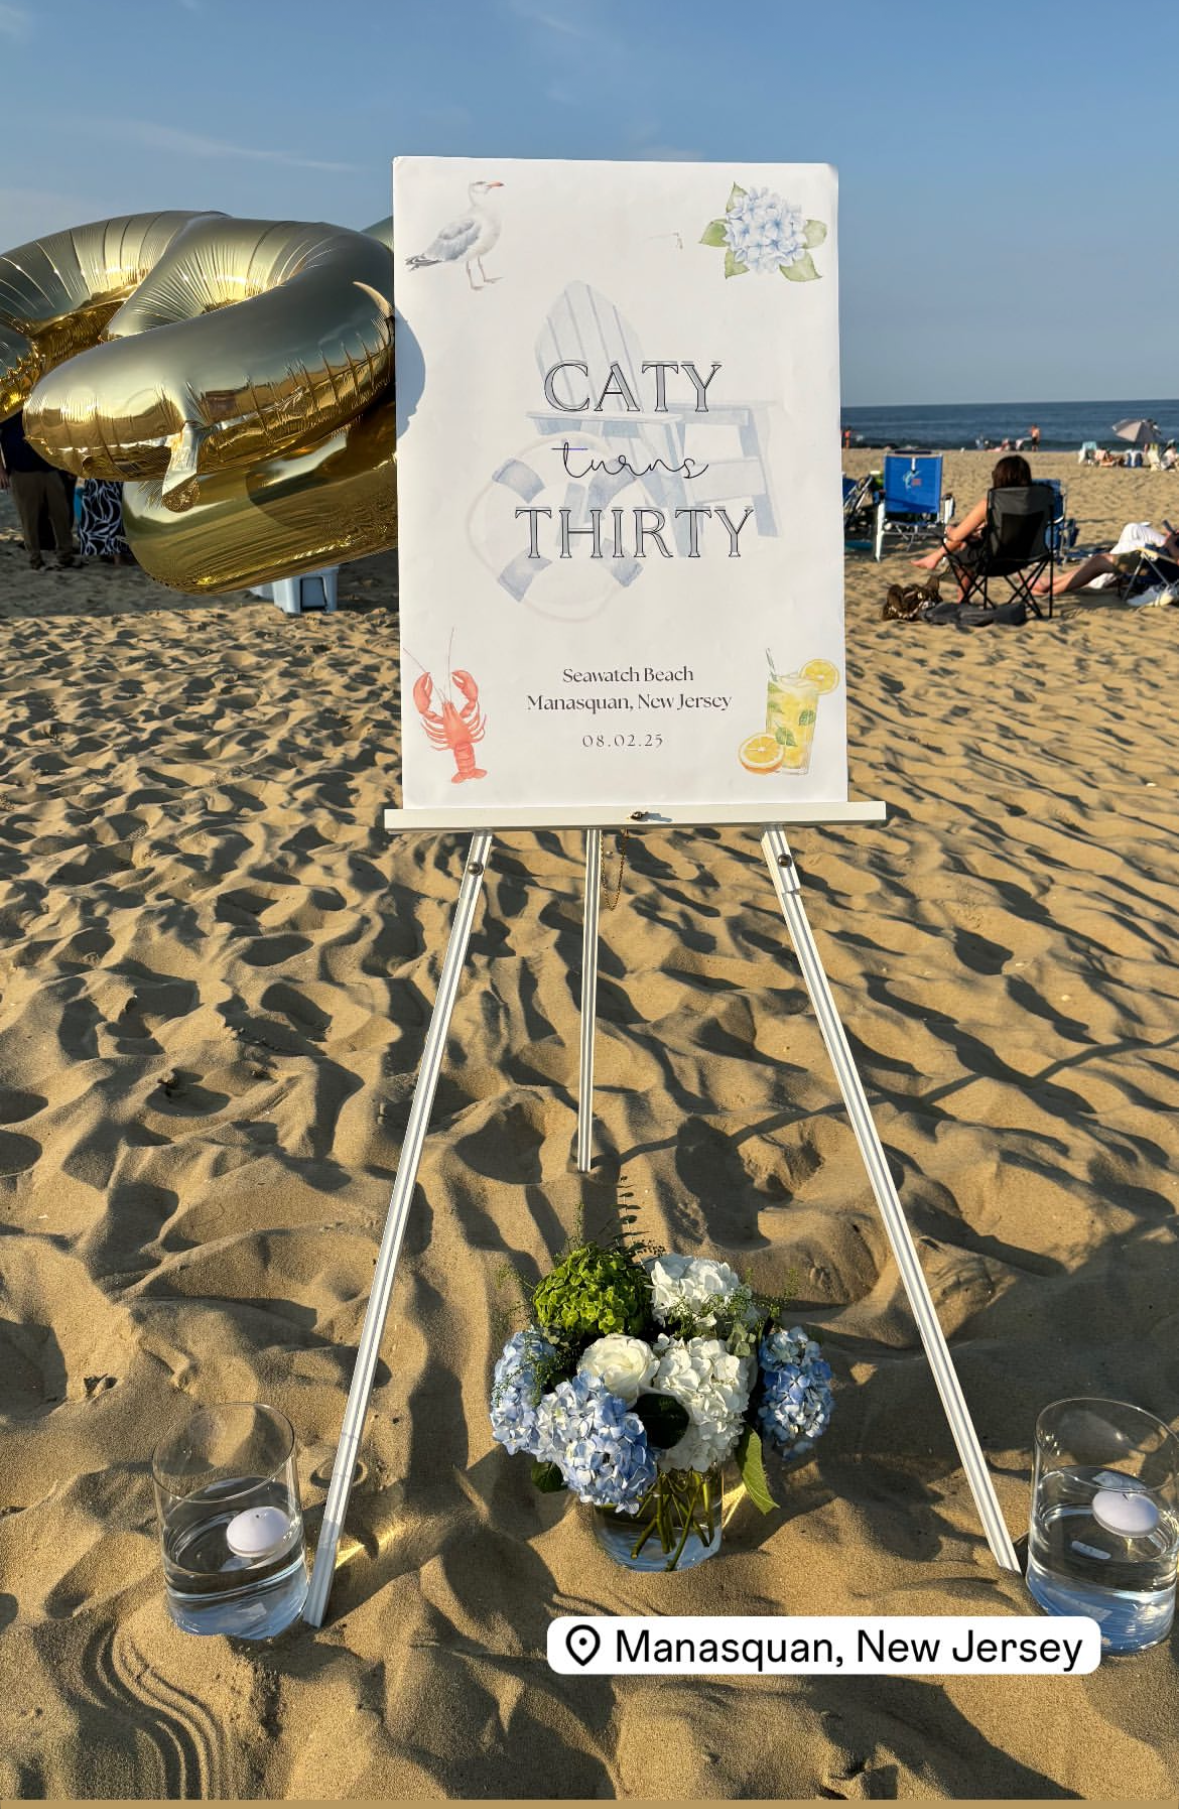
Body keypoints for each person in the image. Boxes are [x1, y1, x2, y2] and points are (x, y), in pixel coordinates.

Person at [910, 453, 1033, 590]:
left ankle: (940, 563)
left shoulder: (990, 504)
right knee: (970, 538)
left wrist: (950, 530)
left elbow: (956, 536)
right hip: (1025, 559)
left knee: (962, 543)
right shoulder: (1034, 503)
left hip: (992, 564)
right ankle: (936, 558)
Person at [0, 411, 76, 570]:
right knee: (30, 518)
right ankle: (35, 559)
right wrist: (1, 471)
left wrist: (69, 463)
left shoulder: (43, 402)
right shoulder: (6, 406)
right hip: (22, 469)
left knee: (61, 512)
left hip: (51, 466)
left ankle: (66, 556)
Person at [1030, 522, 1179, 601]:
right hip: (1162, 555)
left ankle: (1051, 591)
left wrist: (1170, 544)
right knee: (1132, 529)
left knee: (1101, 560)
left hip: (1162, 565)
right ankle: (1054, 582)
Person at [78, 478, 132, 565]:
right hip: (109, 476)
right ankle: (117, 556)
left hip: (95, 475)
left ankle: (106, 552)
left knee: (99, 509)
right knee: (113, 510)